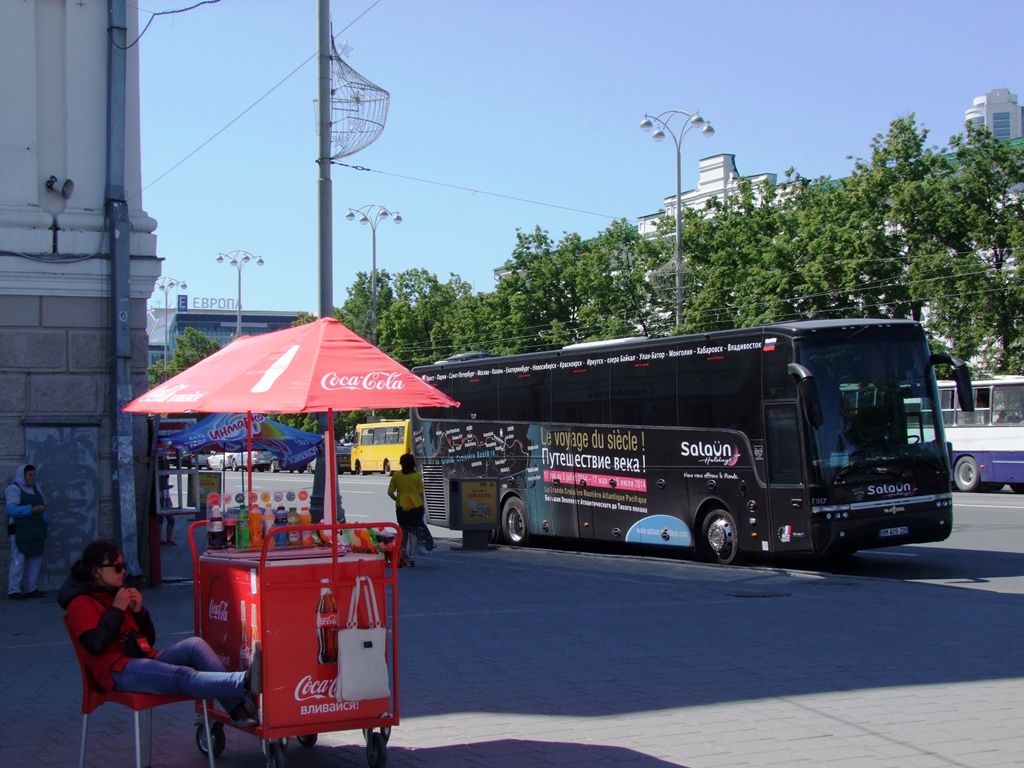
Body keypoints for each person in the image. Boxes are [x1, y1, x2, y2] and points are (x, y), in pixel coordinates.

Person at [58, 540, 259, 727]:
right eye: (116, 567)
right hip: (116, 670)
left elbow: (148, 640)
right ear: (97, 572)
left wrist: (139, 613)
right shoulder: (80, 603)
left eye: (123, 565)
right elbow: (95, 646)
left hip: (141, 658)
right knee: (182, 675)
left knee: (194, 646)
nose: (123, 571)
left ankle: (237, 709)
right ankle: (244, 682)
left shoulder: (113, 592)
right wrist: (117, 611)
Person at [6, 463, 48, 600]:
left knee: (35, 559)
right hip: (20, 531)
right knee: (18, 560)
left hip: (35, 530)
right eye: (30, 475)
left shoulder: (36, 489)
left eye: (34, 474)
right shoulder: (13, 489)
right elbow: (11, 509)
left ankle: (31, 588)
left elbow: (43, 507)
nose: (33, 477)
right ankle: (14, 590)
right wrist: (31, 509)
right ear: (22, 475)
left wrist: (45, 521)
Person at [387, 453, 433, 567]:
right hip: (415, 507)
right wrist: (421, 505)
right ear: (413, 464)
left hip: (401, 507)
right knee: (414, 531)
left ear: (401, 463)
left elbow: (390, 492)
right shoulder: (417, 476)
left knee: (403, 532)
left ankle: (402, 556)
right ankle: (412, 556)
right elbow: (421, 493)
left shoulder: (396, 476)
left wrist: (397, 499)